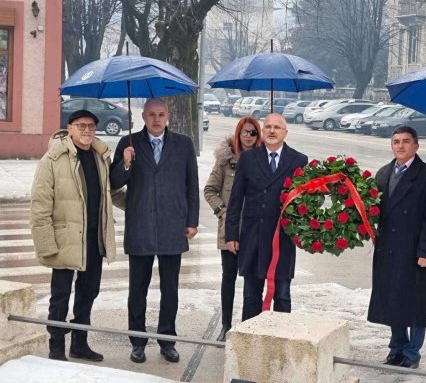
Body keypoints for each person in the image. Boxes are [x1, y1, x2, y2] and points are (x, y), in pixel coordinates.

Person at [110, 98, 199, 364]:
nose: (157, 119)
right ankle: (137, 341)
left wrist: (191, 221)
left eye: (161, 114)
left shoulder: (183, 144)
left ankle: (167, 340)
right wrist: (125, 164)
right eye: (151, 115)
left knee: (170, 289)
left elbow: (191, 185)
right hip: (141, 227)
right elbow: (113, 182)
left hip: (173, 226)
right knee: (138, 288)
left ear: (168, 115)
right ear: (143, 116)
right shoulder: (128, 143)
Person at [30, 110, 124, 362]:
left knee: (88, 293)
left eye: (91, 126)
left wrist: (139, 204)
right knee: (60, 296)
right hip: (66, 240)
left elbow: (110, 193)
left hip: (95, 240)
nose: (87, 131)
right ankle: (56, 347)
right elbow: (40, 207)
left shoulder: (100, 156)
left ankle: (79, 344)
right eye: (81, 126)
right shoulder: (53, 159)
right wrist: (46, 246)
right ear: (69, 128)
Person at [367, 126, 426, 369]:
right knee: (393, 300)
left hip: (415, 251)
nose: (400, 146)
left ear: (416, 146)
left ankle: (412, 353)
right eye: (396, 141)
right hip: (389, 250)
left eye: (406, 141)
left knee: (416, 303)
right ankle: (396, 347)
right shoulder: (383, 173)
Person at [225, 113, 308, 321]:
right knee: (251, 295)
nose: (272, 131)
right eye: (268, 127)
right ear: (262, 132)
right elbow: (236, 200)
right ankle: (250, 340)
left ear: (285, 133)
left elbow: (304, 203)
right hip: (252, 237)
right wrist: (231, 234)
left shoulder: (298, 160)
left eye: (277, 128)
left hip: (282, 240)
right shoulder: (248, 159)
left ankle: (280, 343)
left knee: (282, 294)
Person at [203, 116, 262, 342]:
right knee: (229, 277)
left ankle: (250, 325)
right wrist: (225, 213)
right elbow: (209, 190)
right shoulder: (225, 161)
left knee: (253, 280)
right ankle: (226, 325)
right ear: (238, 134)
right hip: (230, 231)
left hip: (254, 230)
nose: (248, 136)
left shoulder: (262, 160)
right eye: (244, 132)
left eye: (253, 133)